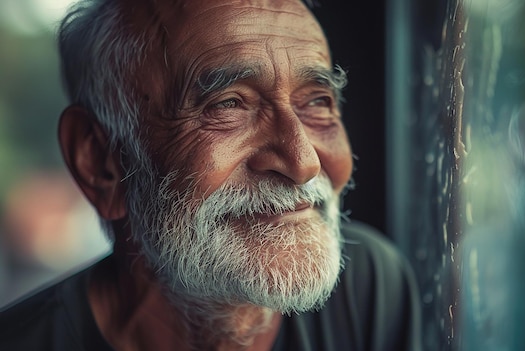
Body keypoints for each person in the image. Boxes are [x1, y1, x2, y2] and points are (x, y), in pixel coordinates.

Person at [0, 0, 421, 349]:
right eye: (228, 105)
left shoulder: (368, 287)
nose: (302, 162)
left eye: (317, 101)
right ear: (101, 164)